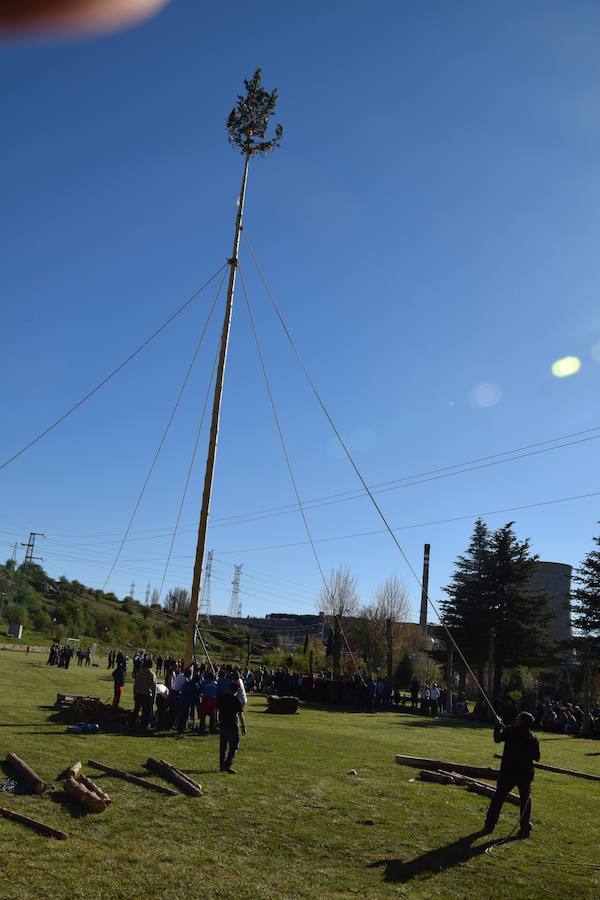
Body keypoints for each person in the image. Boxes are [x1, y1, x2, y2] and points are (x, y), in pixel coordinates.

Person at [482, 711, 540, 839]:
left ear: (523, 721)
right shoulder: (533, 737)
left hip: (509, 772)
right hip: (525, 774)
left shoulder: (510, 731)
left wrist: (498, 726)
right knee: (525, 802)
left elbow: (497, 739)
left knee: (498, 799)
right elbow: (537, 757)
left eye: (518, 718)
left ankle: (489, 826)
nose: (516, 719)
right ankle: (525, 829)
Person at [216, 680, 246, 774]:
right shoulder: (235, 700)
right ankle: (227, 765)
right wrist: (243, 726)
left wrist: (216, 720)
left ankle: (222, 765)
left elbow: (216, 709)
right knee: (234, 745)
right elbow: (241, 715)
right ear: (236, 690)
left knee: (223, 746)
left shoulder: (222, 698)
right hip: (232, 725)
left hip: (223, 724)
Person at [131, 659, 157, 729]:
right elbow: (154, 687)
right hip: (147, 695)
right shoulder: (152, 674)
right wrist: (154, 698)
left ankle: (132, 723)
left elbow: (135, 684)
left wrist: (134, 694)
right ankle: (144, 725)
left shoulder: (140, 672)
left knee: (136, 710)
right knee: (146, 711)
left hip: (139, 693)